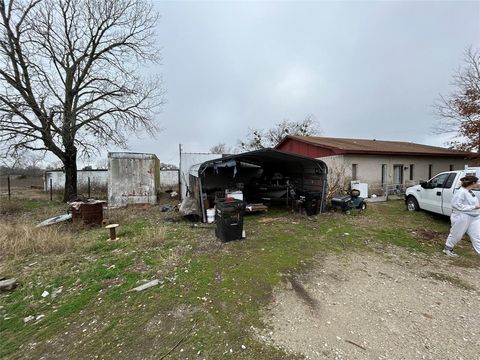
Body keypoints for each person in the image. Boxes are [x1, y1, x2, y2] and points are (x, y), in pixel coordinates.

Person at [443, 175, 480, 257]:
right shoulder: (461, 192)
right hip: (461, 216)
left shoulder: (469, 191)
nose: (478, 184)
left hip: (473, 217)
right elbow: (456, 205)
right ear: (473, 183)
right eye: (477, 182)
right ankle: (448, 249)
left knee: (477, 235)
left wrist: (476, 207)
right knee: (457, 234)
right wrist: (474, 207)